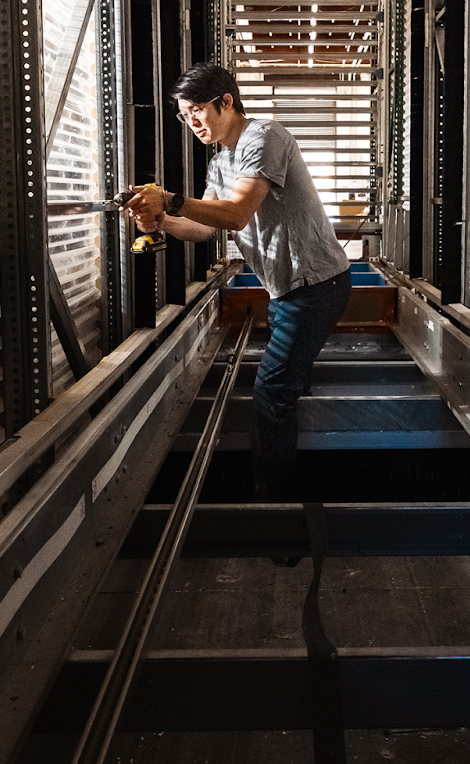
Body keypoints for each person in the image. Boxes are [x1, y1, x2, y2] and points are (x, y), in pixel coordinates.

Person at [125, 62, 352, 505]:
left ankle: (280, 503)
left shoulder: (263, 137)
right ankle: (299, 458)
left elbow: (236, 215)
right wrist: (162, 219)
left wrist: (168, 199)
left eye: (197, 110)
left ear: (226, 101)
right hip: (287, 290)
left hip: (316, 286)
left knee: (271, 394)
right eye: (184, 115)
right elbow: (204, 227)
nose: (192, 122)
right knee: (286, 382)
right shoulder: (221, 162)